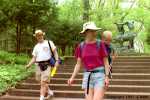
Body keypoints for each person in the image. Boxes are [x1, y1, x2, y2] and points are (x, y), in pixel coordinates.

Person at [68, 22, 110, 100]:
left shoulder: (100, 44)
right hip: (87, 76)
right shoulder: (81, 46)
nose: (94, 32)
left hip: (100, 75)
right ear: (86, 32)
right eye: (91, 31)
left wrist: (107, 77)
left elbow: (106, 62)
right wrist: (72, 77)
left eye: (94, 30)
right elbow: (78, 64)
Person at [26, 30, 59, 100]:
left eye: (40, 35)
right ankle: (50, 92)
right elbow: (34, 58)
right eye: (37, 36)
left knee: (43, 82)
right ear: (36, 37)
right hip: (38, 65)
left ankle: (41, 98)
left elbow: (55, 52)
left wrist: (57, 60)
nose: (39, 36)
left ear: (43, 35)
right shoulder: (36, 46)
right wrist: (28, 65)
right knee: (39, 81)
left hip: (47, 65)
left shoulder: (49, 43)